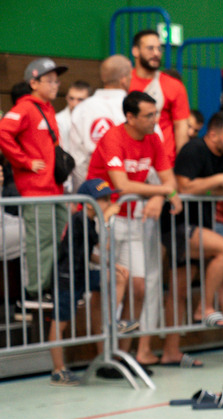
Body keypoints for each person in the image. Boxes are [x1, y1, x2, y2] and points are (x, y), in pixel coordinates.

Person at [86, 91, 182, 364]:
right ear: (130, 117)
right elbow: (123, 185)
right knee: (105, 288)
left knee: (138, 287)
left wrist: (158, 194)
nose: (155, 120)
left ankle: (122, 356)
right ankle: (102, 356)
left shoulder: (153, 139)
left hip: (132, 219)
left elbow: (170, 181)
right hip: (104, 219)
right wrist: (163, 191)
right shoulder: (113, 138)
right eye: (148, 115)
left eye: (156, 114)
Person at [165, 111, 223, 363]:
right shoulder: (194, 149)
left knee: (178, 291)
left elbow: (221, 187)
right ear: (212, 134)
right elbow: (184, 185)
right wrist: (219, 179)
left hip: (199, 224)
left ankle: (170, 352)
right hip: (178, 225)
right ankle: (205, 307)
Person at [48, 178, 135, 386]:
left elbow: (89, 252)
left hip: (81, 273)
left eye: (108, 198)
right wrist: (106, 218)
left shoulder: (87, 221)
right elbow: (99, 246)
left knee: (118, 277)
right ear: (89, 203)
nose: (108, 202)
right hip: (66, 277)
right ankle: (58, 370)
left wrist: (111, 265)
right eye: (103, 199)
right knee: (60, 323)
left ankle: (111, 322)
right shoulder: (80, 219)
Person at [0, 57, 69, 307]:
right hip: (36, 189)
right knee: (39, 239)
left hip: (53, 188)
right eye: (49, 80)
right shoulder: (26, 108)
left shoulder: (47, 108)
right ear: (33, 82)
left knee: (58, 235)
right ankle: (35, 292)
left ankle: (49, 287)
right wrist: (24, 162)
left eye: (56, 80)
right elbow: (2, 132)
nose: (55, 85)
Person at [68, 55, 132, 190]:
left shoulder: (82, 109)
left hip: (92, 192)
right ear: (124, 79)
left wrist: (86, 193)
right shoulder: (136, 107)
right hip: (130, 192)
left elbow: (76, 159)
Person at [129, 29, 190, 164]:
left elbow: (181, 127)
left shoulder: (174, 85)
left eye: (159, 49)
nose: (156, 53)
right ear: (135, 51)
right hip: (130, 161)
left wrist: (181, 164)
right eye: (150, 48)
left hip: (164, 163)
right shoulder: (124, 82)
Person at [55, 81, 91, 158]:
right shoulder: (58, 120)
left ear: (89, 100)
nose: (74, 103)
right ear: (66, 98)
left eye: (80, 99)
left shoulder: (94, 119)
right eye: (71, 98)